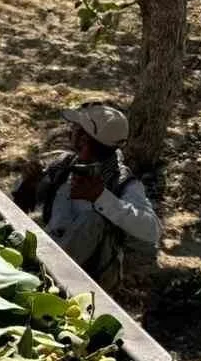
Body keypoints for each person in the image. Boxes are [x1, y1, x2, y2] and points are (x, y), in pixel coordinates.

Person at [10, 101, 161, 285]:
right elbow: (25, 204)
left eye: (76, 128)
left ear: (84, 139)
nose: (70, 131)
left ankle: (40, 277)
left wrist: (101, 197)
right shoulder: (63, 164)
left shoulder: (123, 183)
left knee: (93, 220)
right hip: (46, 249)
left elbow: (151, 231)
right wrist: (28, 184)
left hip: (90, 277)